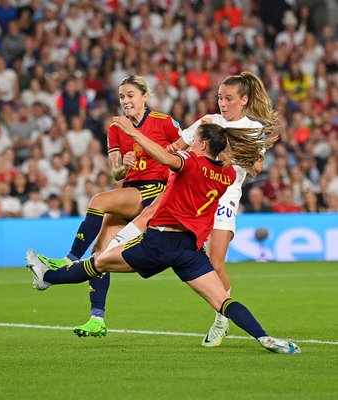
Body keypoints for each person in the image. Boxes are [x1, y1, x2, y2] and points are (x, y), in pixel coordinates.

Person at [25, 122, 300, 354]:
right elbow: (224, 161)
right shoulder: (226, 175)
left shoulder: (190, 163)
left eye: (195, 139)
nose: (190, 142)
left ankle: (46, 278)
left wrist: (133, 132)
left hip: (159, 242)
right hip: (189, 252)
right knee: (222, 301)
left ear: (204, 145)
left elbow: (165, 157)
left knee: (98, 262)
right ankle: (264, 338)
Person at [108, 72, 279, 348]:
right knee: (149, 212)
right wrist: (144, 157)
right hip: (193, 195)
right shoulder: (207, 121)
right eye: (220, 97)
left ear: (244, 100)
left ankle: (220, 318)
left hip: (224, 197)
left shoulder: (252, 129)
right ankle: (104, 255)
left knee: (215, 264)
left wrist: (227, 152)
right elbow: (175, 147)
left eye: (229, 98)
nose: (222, 103)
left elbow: (256, 169)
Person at [38, 75, 181, 338]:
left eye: (130, 95)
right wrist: (122, 167)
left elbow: (183, 153)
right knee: (100, 253)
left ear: (144, 96)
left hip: (156, 191)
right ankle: (97, 318)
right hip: (131, 190)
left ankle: (68, 259)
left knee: (98, 201)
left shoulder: (164, 122)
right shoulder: (116, 127)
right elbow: (115, 172)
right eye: (122, 96)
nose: (126, 101)